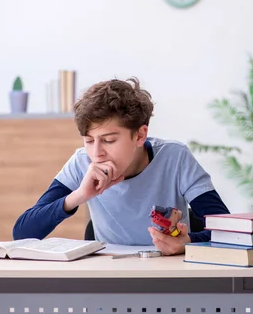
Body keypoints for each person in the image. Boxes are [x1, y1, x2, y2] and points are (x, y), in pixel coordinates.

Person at [12, 77, 231, 255]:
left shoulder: (175, 158)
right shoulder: (81, 162)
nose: (96, 153)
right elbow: (22, 232)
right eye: (89, 140)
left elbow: (228, 231)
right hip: (110, 278)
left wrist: (188, 241)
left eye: (109, 140)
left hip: (168, 275)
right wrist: (79, 195)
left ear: (140, 135)